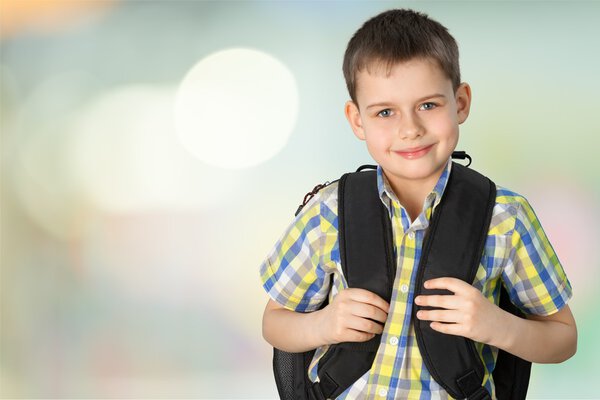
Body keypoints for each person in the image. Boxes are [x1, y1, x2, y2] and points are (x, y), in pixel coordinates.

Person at [259, 8, 577, 399]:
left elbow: (563, 339)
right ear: (357, 120)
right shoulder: (330, 211)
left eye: (428, 105)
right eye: (385, 112)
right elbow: (275, 322)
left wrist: (496, 325)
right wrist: (324, 325)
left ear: (460, 102)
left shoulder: (505, 218)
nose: (410, 129)